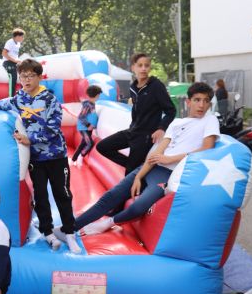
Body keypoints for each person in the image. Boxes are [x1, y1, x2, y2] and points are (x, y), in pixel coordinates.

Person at [75, 82, 219, 236]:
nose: (201, 105)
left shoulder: (210, 120)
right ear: (188, 101)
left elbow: (207, 148)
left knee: (139, 206)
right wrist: (138, 176)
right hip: (151, 167)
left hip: (168, 174)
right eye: (197, 100)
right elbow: (157, 151)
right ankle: (71, 227)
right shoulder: (176, 123)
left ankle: (107, 223)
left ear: (209, 104)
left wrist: (170, 159)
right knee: (111, 196)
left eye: (205, 101)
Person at [0, 58, 80, 254]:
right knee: (40, 195)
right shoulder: (18, 99)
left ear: (39, 77)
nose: (26, 80)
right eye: (23, 76)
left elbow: (54, 128)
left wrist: (30, 138)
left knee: (62, 193)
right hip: (35, 159)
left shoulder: (49, 99)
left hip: (56, 155)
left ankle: (69, 233)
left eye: (30, 76)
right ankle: (47, 231)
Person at [96, 53, 176, 174]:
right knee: (102, 147)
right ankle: (133, 166)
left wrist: (161, 128)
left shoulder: (156, 86)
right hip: (132, 131)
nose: (143, 68)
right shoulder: (133, 87)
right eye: (140, 65)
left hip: (146, 136)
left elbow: (171, 110)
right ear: (133, 67)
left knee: (129, 174)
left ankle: (133, 168)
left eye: (146, 65)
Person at [72, 85, 103, 166]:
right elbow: (81, 116)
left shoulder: (92, 104)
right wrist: (89, 125)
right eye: (99, 95)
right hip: (84, 128)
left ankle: (73, 160)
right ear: (97, 95)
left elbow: (91, 116)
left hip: (87, 128)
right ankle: (81, 156)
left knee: (83, 144)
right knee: (90, 143)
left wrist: (93, 125)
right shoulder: (88, 105)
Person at [2, 28, 25, 96]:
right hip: (8, 62)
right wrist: (15, 60)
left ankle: (23, 94)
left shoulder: (18, 44)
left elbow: (15, 55)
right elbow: (4, 53)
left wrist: (18, 61)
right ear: (17, 36)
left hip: (15, 63)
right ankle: (11, 97)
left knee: (23, 75)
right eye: (22, 36)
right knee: (13, 78)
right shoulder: (10, 42)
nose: (23, 38)